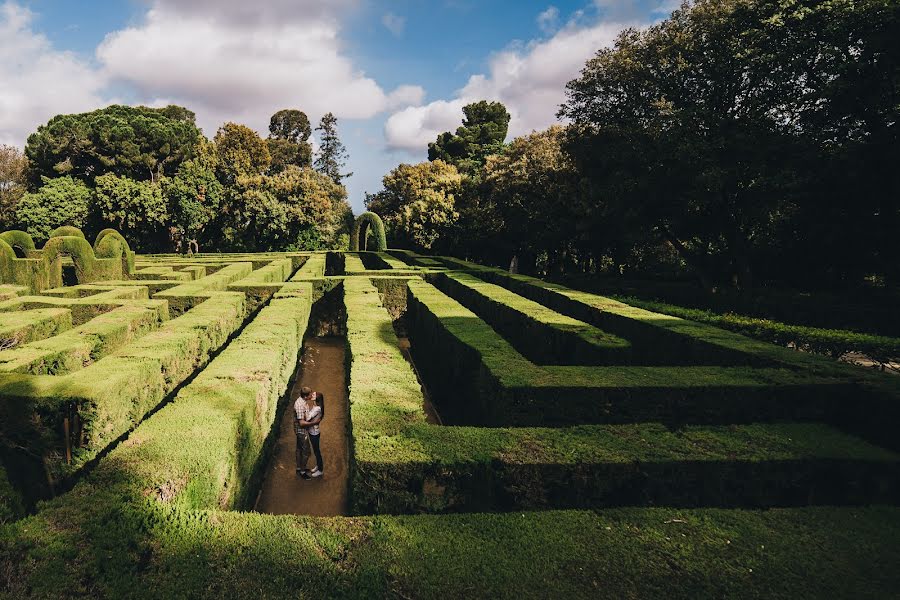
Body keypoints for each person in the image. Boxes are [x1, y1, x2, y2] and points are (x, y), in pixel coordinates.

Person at [294, 386, 324, 479]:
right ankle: (302, 471)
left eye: (313, 394)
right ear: (306, 396)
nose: (312, 395)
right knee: (306, 451)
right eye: (311, 394)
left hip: (312, 432)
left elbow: (307, 417)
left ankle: (318, 469)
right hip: (303, 431)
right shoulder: (301, 404)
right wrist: (314, 422)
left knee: (313, 450)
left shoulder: (313, 406)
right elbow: (303, 422)